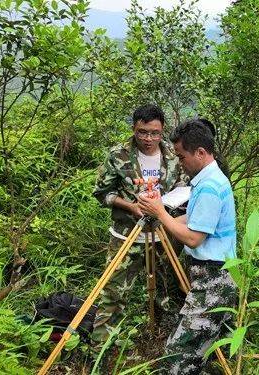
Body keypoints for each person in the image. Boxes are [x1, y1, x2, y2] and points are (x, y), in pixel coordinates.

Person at [138, 118, 237, 374]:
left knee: (177, 356)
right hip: (211, 275)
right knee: (204, 352)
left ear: (200, 153)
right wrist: (161, 216)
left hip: (214, 279)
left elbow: (194, 237)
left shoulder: (210, 187)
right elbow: (193, 219)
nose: (180, 163)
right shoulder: (207, 181)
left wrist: (160, 213)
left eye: (182, 157)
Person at [91, 104, 186, 343]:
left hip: (163, 237)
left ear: (162, 130)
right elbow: (102, 193)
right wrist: (130, 206)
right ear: (134, 128)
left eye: (155, 133)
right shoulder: (118, 155)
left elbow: (183, 189)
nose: (148, 138)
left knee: (166, 294)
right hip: (127, 236)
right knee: (113, 294)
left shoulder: (173, 155)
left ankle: (163, 343)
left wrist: (168, 208)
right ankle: (101, 350)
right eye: (142, 132)